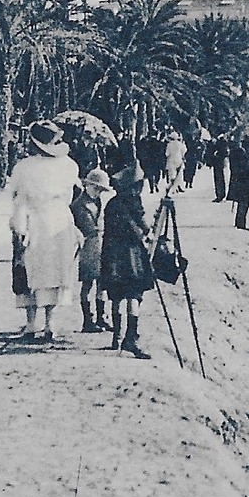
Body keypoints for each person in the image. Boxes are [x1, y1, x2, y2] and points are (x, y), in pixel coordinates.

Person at [8, 120, 83, 341]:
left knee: (29, 267)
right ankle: (50, 323)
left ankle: (32, 323)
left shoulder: (23, 167)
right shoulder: (68, 165)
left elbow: (16, 195)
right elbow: (75, 192)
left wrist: (18, 225)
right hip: (59, 218)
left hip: (33, 218)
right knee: (55, 269)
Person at [99, 163, 154, 358]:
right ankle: (131, 338)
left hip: (112, 256)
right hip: (129, 256)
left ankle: (117, 336)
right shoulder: (131, 202)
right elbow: (138, 227)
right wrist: (147, 231)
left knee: (115, 294)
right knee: (133, 293)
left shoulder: (112, 203)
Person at [74, 167, 110, 333]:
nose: (98, 192)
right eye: (96, 188)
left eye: (100, 190)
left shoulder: (97, 202)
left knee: (102, 283)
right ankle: (87, 320)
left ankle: (101, 317)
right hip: (88, 246)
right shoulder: (79, 205)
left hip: (100, 245)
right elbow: (88, 227)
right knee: (88, 283)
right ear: (87, 186)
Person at [207, 133, 229, 202]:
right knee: (219, 178)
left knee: (218, 178)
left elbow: (222, 152)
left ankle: (220, 195)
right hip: (218, 162)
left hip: (218, 162)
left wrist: (216, 155)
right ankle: (220, 194)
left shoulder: (221, 142)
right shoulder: (222, 141)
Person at [163, 129, 186, 194]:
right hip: (179, 160)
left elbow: (167, 154)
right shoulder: (180, 144)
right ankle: (178, 186)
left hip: (171, 161)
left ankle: (173, 189)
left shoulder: (169, 145)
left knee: (172, 175)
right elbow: (184, 151)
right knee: (179, 175)